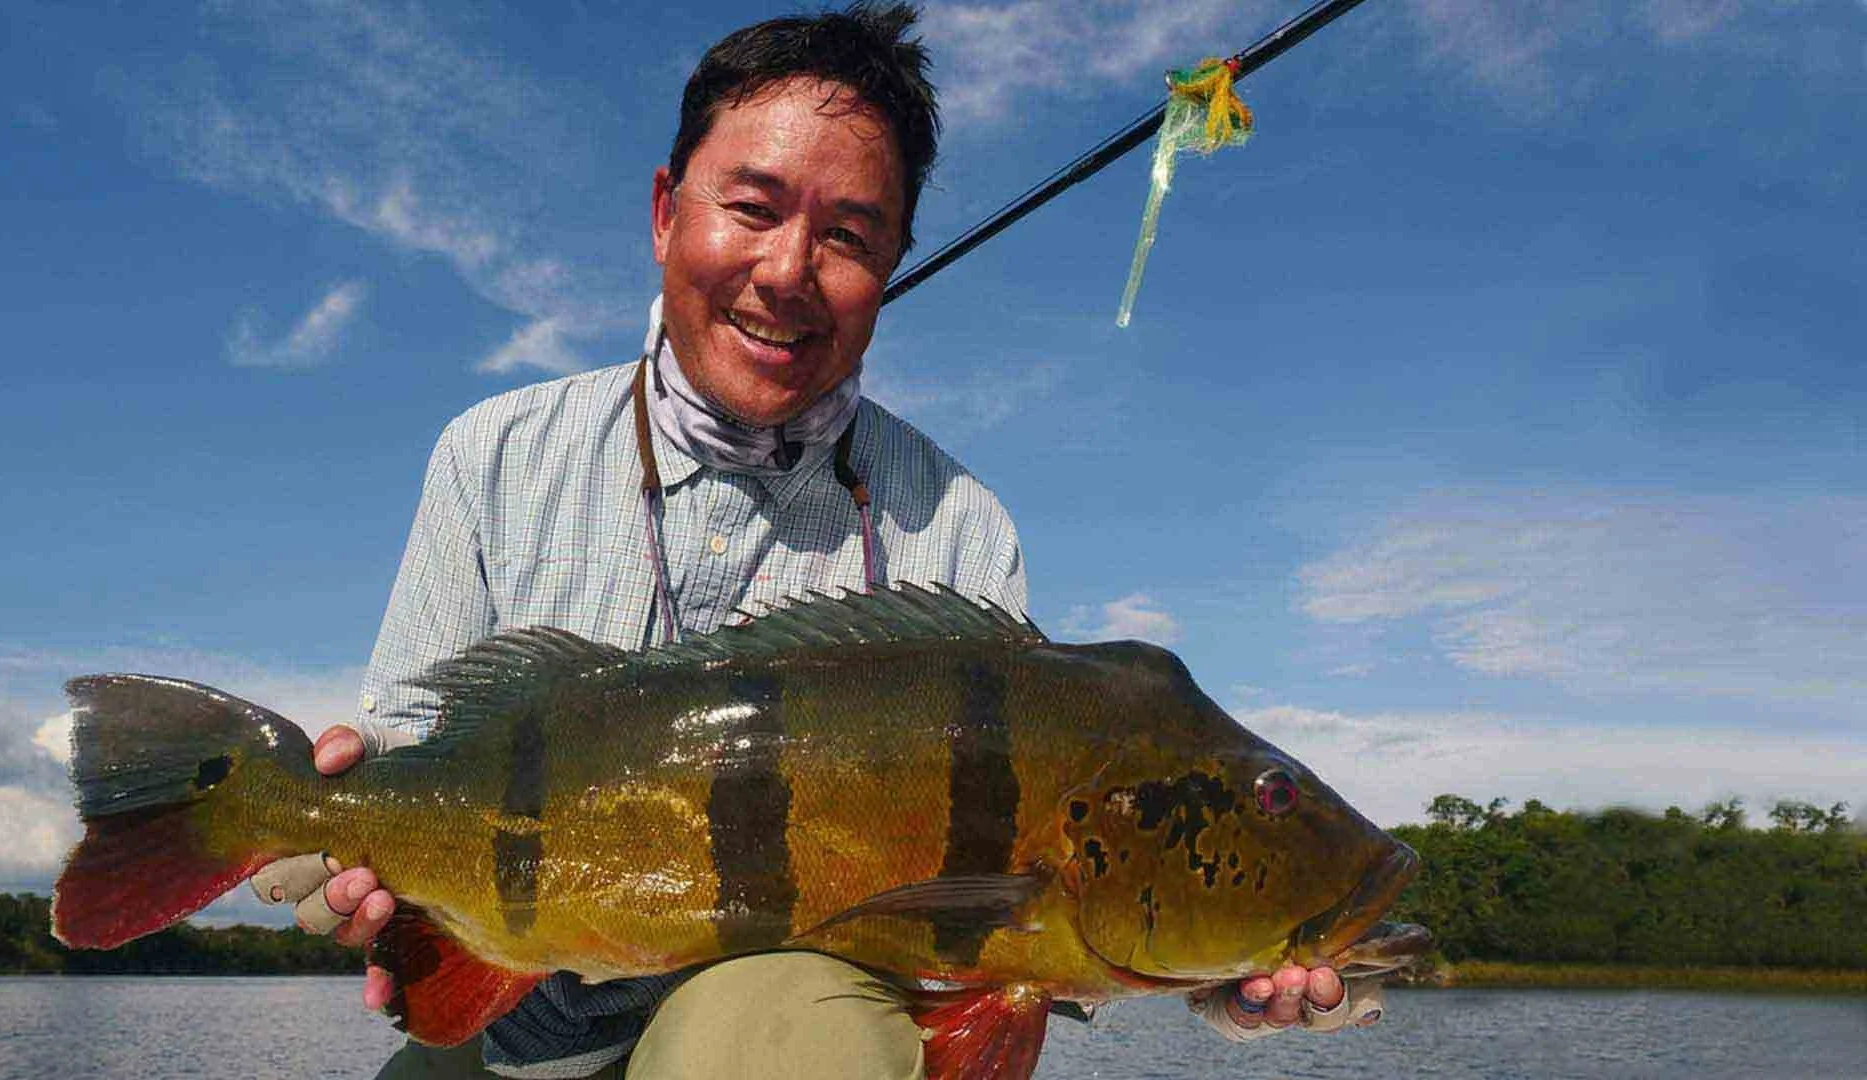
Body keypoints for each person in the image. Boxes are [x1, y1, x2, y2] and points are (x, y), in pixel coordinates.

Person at [249, 4, 1379, 1076]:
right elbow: (408, 764)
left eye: (846, 235)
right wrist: (348, 843)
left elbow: (1022, 950)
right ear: (663, 212)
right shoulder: (492, 452)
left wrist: (1223, 974)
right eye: (751, 208)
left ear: (888, 266)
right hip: (515, 1036)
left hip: (782, 1046)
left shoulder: (958, 525)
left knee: (789, 1033)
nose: (787, 271)